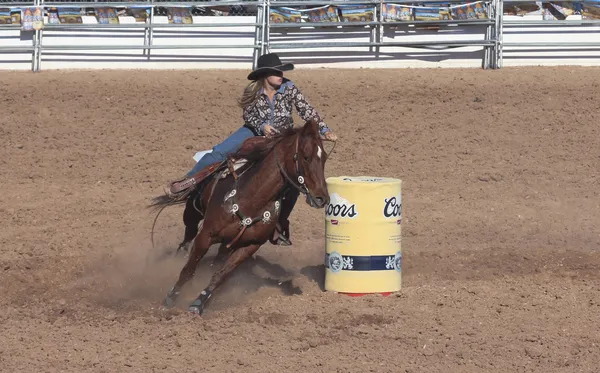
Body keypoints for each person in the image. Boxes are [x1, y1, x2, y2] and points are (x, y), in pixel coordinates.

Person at [169, 53, 338, 245]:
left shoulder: (289, 88)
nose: (280, 74)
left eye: (281, 71)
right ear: (265, 74)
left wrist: (325, 129)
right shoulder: (253, 91)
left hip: (283, 137)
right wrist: (262, 126)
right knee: (220, 152)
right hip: (252, 132)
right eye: (276, 71)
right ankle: (188, 181)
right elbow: (248, 114)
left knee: (293, 182)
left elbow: (307, 110)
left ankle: (281, 223)